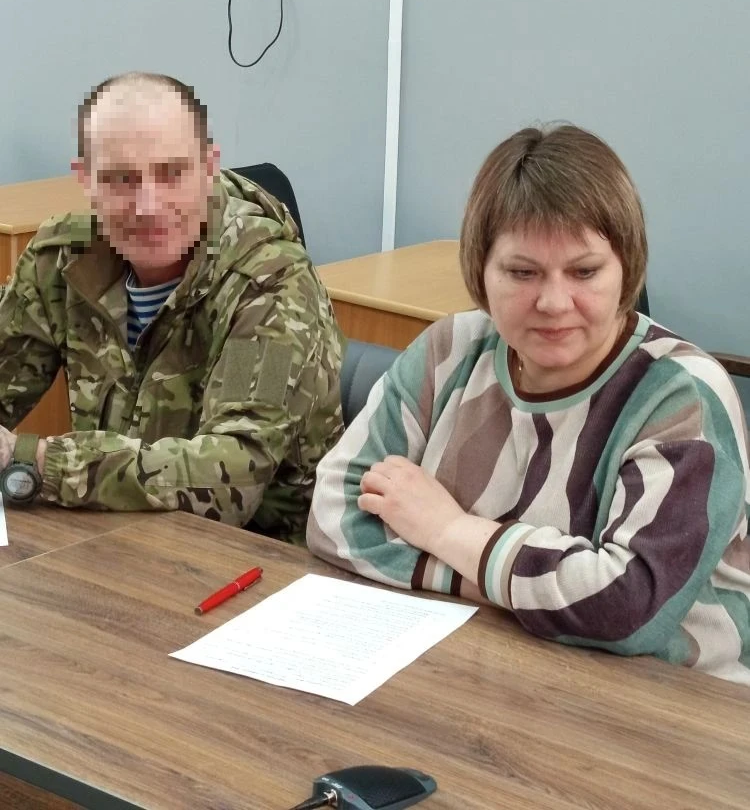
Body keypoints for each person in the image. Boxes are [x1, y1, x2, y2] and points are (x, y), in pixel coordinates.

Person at [308, 124, 750, 682]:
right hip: (477, 667)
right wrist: (521, 589)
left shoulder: (683, 395)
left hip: (669, 701)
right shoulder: (449, 349)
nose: (554, 302)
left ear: (627, 270)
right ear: (481, 271)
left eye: (585, 271)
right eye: (522, 272)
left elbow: (627, 608)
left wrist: (447, 531)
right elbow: (333, 515)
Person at [0, 72, 343, 542]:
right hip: (110, 535)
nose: (148, 206)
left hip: (259, 557)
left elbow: (232, 474)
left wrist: (39, 461)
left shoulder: (269, 286)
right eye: (122, 179)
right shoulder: (61, 261)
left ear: (209, 168)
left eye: (172, 173)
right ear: (86, 179)